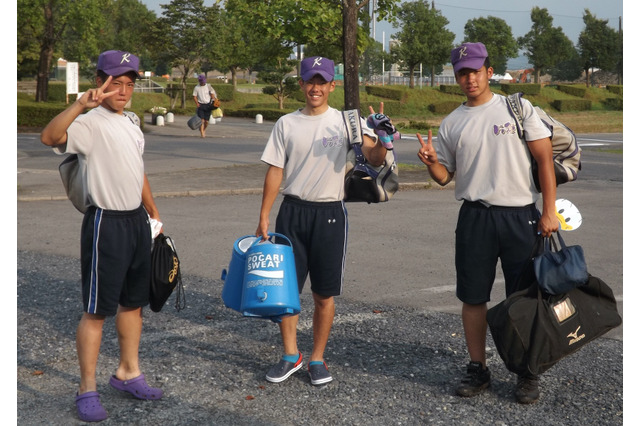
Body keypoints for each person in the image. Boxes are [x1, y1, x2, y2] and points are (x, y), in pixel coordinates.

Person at [416, 42, 558, 404]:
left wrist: (549, 211)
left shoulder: (517, 107)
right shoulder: (452, 122)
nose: (470, 78)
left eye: (476, 70)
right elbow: (445, 177)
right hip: (475, 217)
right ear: (456, 75)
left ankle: (527, 371)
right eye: (463, 72)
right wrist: (431, 161)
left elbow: (544, 160)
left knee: (523, 297)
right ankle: (478, 367)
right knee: (473, 296)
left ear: (488, 71)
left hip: (520, 215)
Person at [255, 56, 395, 386]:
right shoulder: (286, 124)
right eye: (309, 81)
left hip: (330, 214)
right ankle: (291, 355)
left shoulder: (347, 122)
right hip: (292, 212)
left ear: (332, 85)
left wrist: (383, 139)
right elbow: (275, 169)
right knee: (287, 291)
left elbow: (374, 158)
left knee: (323, 294)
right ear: (301, 84)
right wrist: (263, 215)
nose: (315, 87)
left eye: (322, 82)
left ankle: (317, 358)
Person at [41, 50, 164, 422]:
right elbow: (49, 136)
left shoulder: (131, 122)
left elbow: (137, 170)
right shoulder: (90, 122)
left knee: (133, 304)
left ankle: (128, 373)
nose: (124, 90)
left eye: (130, 83)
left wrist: (153, 211)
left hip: (136, 222)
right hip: (105, 224)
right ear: (100, 82)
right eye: (116, 82)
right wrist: (79, 105)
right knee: (96, 310)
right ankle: (87, 388)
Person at [192, 74, 218, 138]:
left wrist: (214, 99)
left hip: (208, 105)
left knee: (206, 121)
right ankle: (202, 133)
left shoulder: (208, 86)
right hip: (201, 105)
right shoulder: (196, 87)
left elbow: (212, 93)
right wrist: (197, 103)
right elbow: (194, 96)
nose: (203, 82)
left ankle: (203, 129)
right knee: (202, 120)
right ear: (199, 81)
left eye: (204, 81)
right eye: (202, 81)